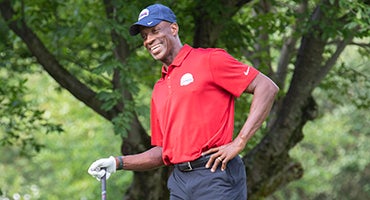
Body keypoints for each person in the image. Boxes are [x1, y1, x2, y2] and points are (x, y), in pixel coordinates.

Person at [88, 3, 279, 200]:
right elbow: (163, 151)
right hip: (179, 180)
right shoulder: (160, 89)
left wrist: (240, 141)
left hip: (215, 174)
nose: (149, 40)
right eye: (144, 36)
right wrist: (117, 162)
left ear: (173, 28)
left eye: (154, 30)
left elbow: (266, 87)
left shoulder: (209, 60)